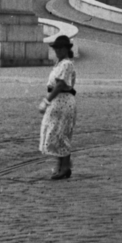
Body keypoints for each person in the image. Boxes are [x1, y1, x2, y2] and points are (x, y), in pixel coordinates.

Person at [39, 35, 78, 180]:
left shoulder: (66, 64)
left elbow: (60, 84)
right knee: (55, 133)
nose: (57, 51)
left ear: (67, 49)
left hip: (63, 101)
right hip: (58, 102)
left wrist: (47, 100)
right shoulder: (60, 63)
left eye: (60, 48)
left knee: (61, 133)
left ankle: (65, 166)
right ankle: (61, 165)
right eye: (56, 48)